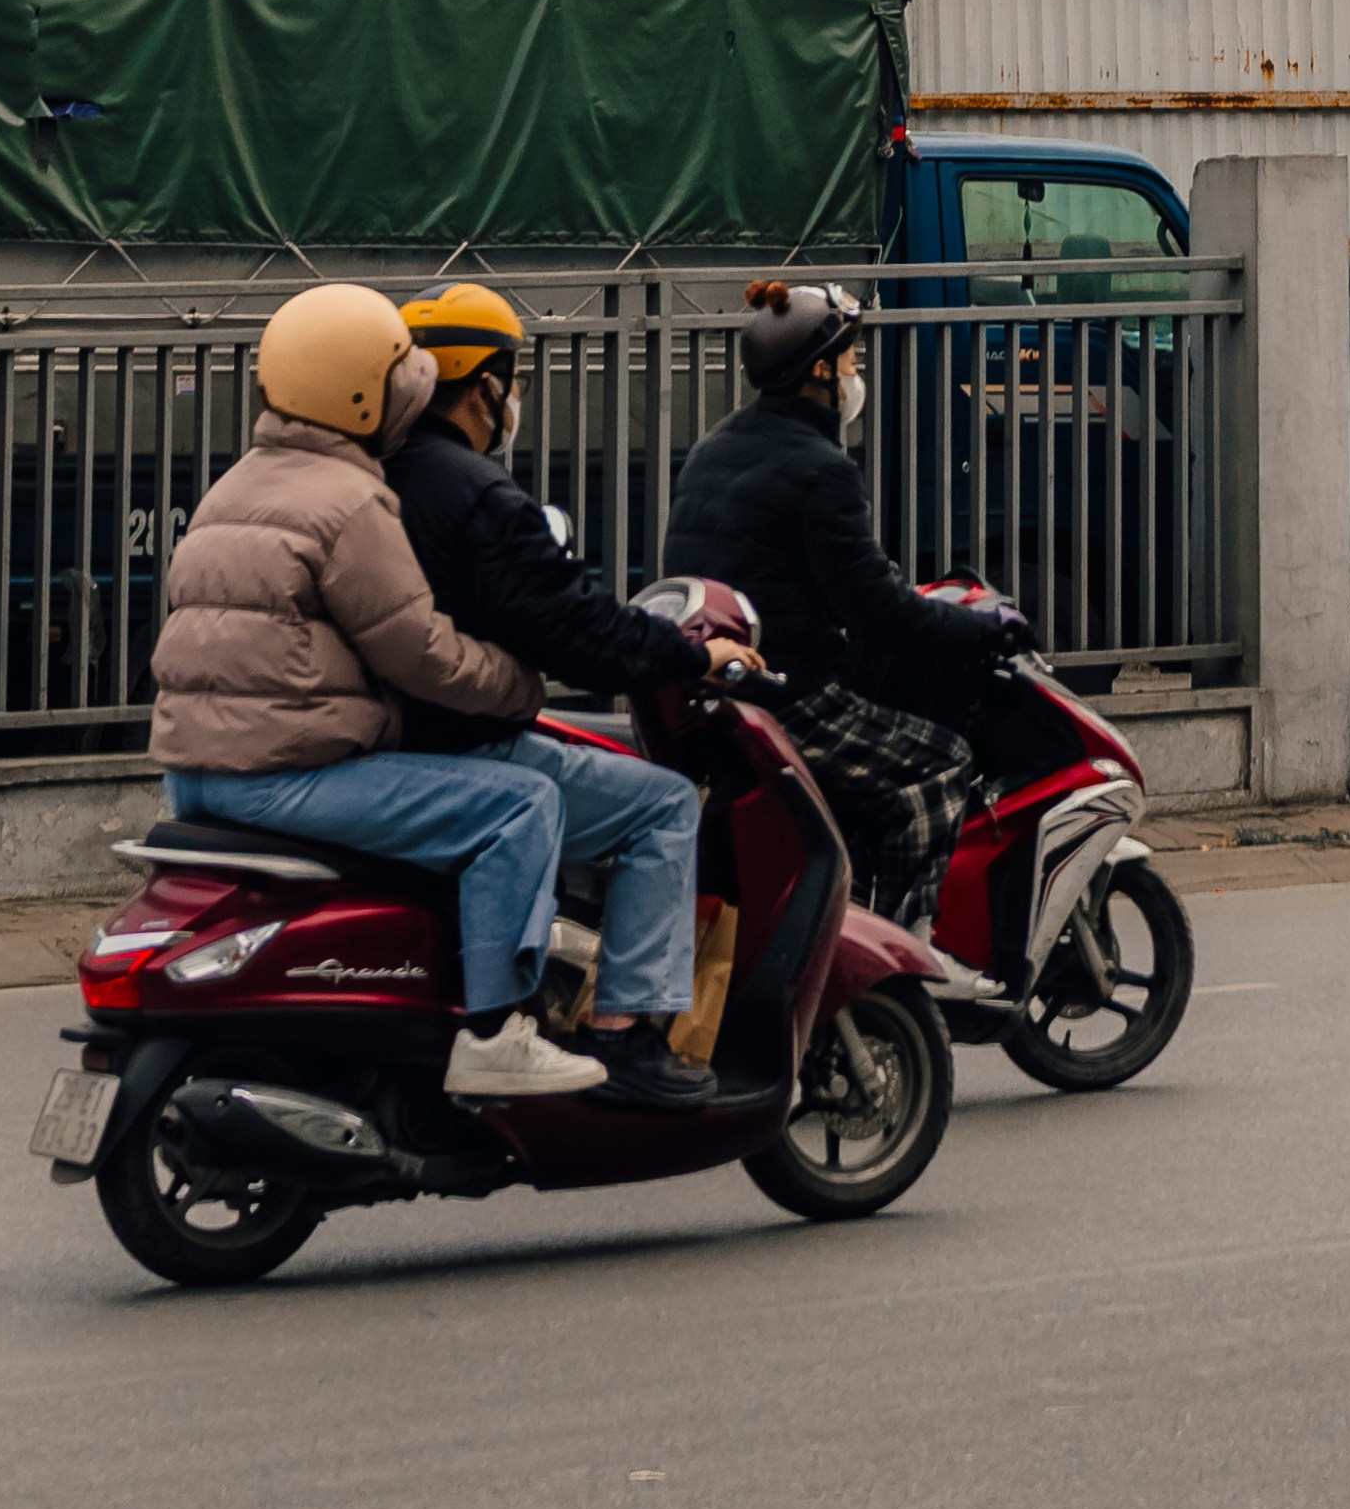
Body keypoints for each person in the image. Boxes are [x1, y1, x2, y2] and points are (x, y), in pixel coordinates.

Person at [145, 285, 623, 1106]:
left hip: (195, 773)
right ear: (358, 392)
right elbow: (423, 653)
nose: (418, 385)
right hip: (285, 775)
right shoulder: (351, 501)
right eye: (400, 371)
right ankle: (495, 1034)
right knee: (521, 805)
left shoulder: (235, 485)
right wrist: (516, 686)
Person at [384, 285, 734, 1103]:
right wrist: (689, 655)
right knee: (664, 804)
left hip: (393, 743)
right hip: (463, 742)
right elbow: (573, 627)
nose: (516, 399)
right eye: (516, 378)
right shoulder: (477, 492)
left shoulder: (374, 475)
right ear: (486, 387)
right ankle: (629, 1029)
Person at [665, 282, 1045, 984]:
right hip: (788, 694)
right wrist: (980, 628)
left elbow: (807, 574)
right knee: (939, 767)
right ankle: (899, 963)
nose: (854, 377)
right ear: (818, 372)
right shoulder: (821, 468)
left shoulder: (714, 449)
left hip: (721, 693)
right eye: (849, 362)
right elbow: (879, 610)